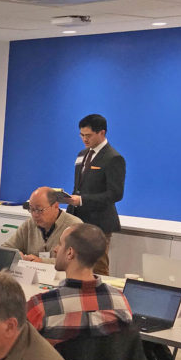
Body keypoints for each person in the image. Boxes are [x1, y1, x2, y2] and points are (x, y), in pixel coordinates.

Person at [26, 224, 132, 345]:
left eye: (60, 244)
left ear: (70, 252)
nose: (55, 249)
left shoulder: (40, 306)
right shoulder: (121, 303)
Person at [67, 113, 125, 276]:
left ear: (102, 133)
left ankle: (101, 299)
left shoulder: (113, 158)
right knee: (74, 264)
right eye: (82, 135)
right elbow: (78, 187)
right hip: (77, 221)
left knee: (97, 268)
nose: (85, 139)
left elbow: (115, 194)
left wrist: (82, 200)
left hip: (99, 223)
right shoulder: (81, 155)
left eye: (89, 135)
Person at [2, 186, 81, 262]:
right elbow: (5, 249)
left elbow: (76, 261)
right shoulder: (29, 225)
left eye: (39, 210)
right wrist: (16, 255)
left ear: (56, 206)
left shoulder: (74, 226)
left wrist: (42, 261)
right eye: (31, 209)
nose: (35, 214)